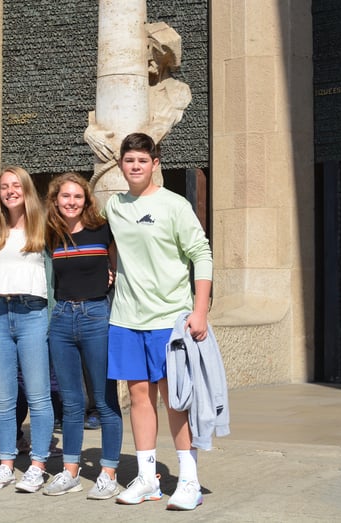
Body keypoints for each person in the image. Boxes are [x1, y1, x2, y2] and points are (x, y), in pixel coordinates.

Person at [105, 133, 212, 511]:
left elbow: (202, 254)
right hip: (126, 319)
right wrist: (109, 268)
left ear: (155, 164)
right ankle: (148, 478)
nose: (135, 166)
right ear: (121, 164)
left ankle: (188, 481)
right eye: (129, 160)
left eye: (142, 160)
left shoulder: (174, 205)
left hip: (170, 320)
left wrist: (200, 310)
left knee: (176, 401)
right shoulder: (114, 206)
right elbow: (106, 242)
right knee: (138, 398)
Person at [0, 166, 54, 493]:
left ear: (27, 189)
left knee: (38, 395)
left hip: (32, 312)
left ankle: (37, 466)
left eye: (16, 185)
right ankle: (6, 464)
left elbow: (63, 264)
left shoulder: (45, 225)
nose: (10, 191)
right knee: (3, 398)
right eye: (4, 186)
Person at [42, 173, 123, 499]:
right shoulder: (51, 233)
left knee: (105, 400)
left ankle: (108, 472)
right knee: (72, 402)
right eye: (66, 197)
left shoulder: (102, 228)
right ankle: (70, 471)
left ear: (86, 200)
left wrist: (113, 272)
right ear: (56, 200)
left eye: (77, 196)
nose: (71, 202)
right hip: (61, 318)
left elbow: (127, 257)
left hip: (96, 316)